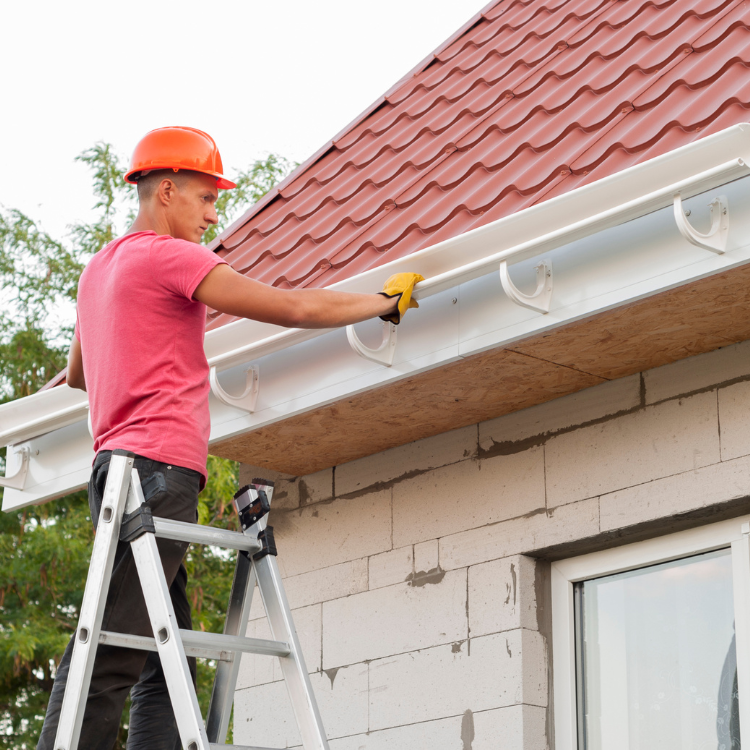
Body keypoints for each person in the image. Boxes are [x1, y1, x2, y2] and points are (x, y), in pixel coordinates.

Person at [37, 125, 422, 750]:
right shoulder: (171, 258)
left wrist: (137, 358)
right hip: (157, 475)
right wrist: (378, 303)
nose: (213, 216)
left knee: (164, 664)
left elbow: (80, 375)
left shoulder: (99, 269)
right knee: (108, 655)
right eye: (206, 199)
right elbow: (289, 308)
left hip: (115, 475)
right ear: (167, 190)